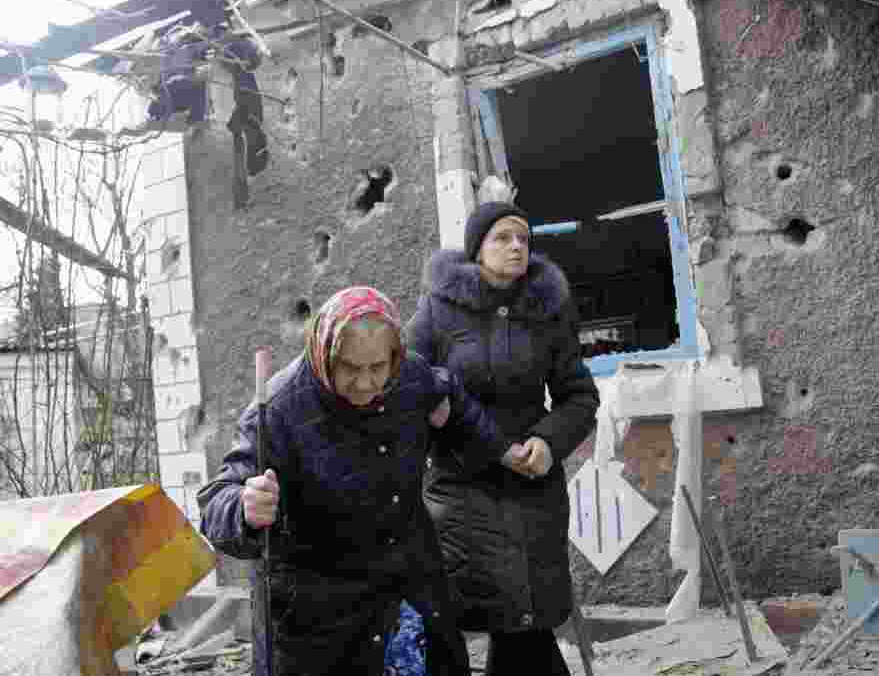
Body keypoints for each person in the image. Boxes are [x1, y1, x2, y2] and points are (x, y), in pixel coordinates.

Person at [197, 286, 532, 676]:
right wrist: (243, 508)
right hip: (321, 618)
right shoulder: (278, 410)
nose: (366, 383)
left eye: (377, 367)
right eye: (350, 368)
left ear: (394, 357)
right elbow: (215, 501)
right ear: (324, 353)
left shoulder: (410, 375)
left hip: (410, 590)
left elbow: (453, 402)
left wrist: (503, 450)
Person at [406, 202, 601, 676]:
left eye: (524, 239)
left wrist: (548, 443)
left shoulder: (548, 310)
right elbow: (412, 383)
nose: (517, 247)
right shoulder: (437, 309)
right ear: (477, 249)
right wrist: (477, 442)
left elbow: (579, 396)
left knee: (526, 620)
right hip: (464, 486)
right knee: (492, 618)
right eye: (502, 238)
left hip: (533, 486)